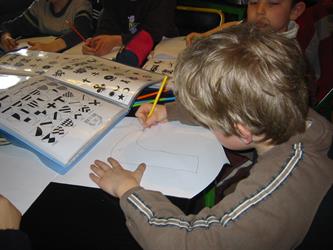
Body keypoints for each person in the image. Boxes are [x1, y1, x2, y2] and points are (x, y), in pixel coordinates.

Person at [89, 24, 333, 249]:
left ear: (242, 131)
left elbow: (190, 242)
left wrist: (128, 189)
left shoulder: (278, 193)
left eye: (209, 120)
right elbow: (233, 106)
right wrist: (169, 111)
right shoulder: (283, 106)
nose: (205, 121)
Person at [82, 0, 178, 67]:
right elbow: (106, 27)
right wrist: (95, 43)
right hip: (121, 55)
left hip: (163, 50)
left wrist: (118, 40)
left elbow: (154, 33)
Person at [186, 0, 306, 46]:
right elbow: (234, 25)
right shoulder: (256, 27)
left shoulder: (287, 53)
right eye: (253, 2)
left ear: (295, 11)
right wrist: (205, 35)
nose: (259, 11)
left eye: (273, 3)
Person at [0, 0, 93, 53]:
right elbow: (12, 26)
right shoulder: (40, 5)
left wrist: (50, 47)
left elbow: (82, 31)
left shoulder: (80, 3)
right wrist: (5, 37)